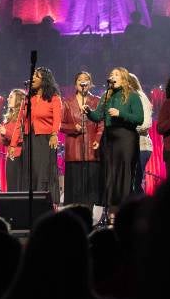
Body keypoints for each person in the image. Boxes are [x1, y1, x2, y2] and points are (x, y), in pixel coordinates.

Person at [86, 67, 143, 224]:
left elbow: (139, 118)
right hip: (109, 139)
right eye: (111, 74)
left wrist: (120, 113)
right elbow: (98, 116)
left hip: (126, 138)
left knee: (124, 176)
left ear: (124, 79)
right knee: (110, 175)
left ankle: (125, 213)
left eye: (116, 74)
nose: (113, 76)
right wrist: (89, 112)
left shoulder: (133, 96)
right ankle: (112, 214)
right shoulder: (106, 96)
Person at [60, 72, 103, 207]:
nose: (83, 82)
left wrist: (98, 139)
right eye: (80, 79)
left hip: (92, 151)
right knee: (75, 191)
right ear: (75, 84)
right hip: (74, 152)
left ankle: (89, 216)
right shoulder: (67, 102)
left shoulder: (97, 101)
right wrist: (73, 127)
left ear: (90, 84)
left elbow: (102, 123)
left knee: (91, 191)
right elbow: (59, 125)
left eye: (86, 79)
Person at [25, 67, 63, 204]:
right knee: (34, 171)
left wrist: (54, 134)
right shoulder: (30, 98)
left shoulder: (54, 98)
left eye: (37, 76)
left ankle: (47, 202)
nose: (33, 78)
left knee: (45, 172)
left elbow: (57, 119)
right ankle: (34, 201)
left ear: (44, 80)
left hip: (46, 139)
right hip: (31, 138)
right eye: (33, 76)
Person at [127, 73, 154, 193]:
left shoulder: (140, 96)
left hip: (141, 146)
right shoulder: (122, 99)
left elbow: (146, 124)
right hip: (128, 147)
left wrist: (127, 130)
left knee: (135, 183)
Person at [0, 88, 27, 191]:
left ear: (18, 99)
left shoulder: (23, 117)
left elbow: (22, 137)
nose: (7, 99)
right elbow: (3, 143)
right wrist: (2, 133)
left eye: (11, 97)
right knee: (11, 186)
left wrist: (6, 132)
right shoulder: (8, 118)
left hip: (20, 155)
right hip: (10, 155)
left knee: (19, 186)